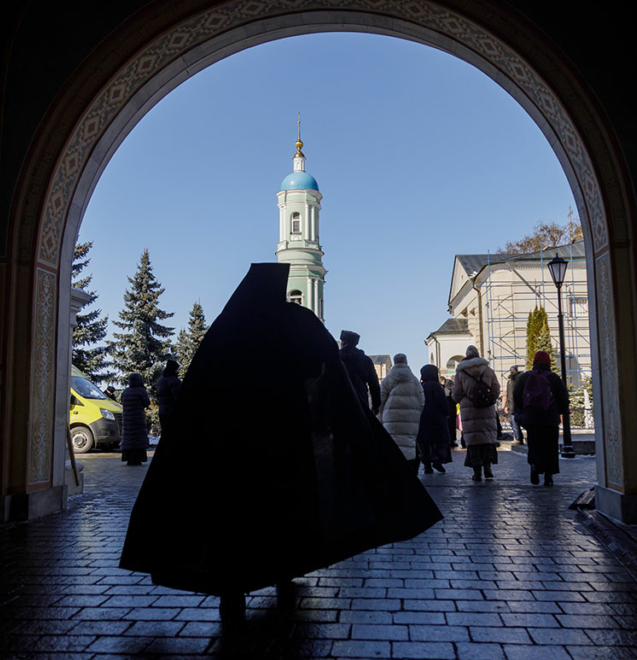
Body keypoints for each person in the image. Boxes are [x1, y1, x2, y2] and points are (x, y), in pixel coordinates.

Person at [120, 264, 442, 621]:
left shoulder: (228, 325)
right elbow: (320, 360)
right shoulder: (294, 320)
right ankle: (285, 567)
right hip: (285, 433)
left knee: (236, 512)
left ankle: (232, 587)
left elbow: (203, 386)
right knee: (286, 502)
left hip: (233, 441)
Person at [513, 351, 570, 486]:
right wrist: (561, 411)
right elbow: (563, 398)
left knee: (534, 444)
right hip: (550, 419)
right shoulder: (554, 378)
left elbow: (517, 396)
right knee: (550, 446)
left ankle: (534, 465)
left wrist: (522, 411)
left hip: (531, 418)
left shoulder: (525, 377)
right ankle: (548, 475)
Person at [451, 345, 501, 481]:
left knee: (473, 441)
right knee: (487, 439)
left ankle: (477, 471)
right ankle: (488, 467)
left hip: (469, 409)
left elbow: (455, 394)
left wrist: (464, 399)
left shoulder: (461, 373)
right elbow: (496, 389)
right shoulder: (488, 370)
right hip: (487, 408)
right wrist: (490, 398)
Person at [379, 353, 424, 471]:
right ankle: (410, 469)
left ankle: (395, 469)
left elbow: (380, 399)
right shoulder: (414, 380)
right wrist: (417, 413)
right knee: (409, 442)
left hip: (391, 417)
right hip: (411, 417)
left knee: (393, 443)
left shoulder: (387, 380)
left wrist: (381, 415)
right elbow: (422, 400)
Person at [417, 364, 452, 474]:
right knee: (438, 440)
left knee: (425, 441)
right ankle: (437, 461)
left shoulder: (420, 386)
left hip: (423, 418)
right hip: (437, 418)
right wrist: (447, 413)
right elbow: (442, 402)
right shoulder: (436, 386)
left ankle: (427, 465)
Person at [339, 330, 381, 415]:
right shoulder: (366, 360)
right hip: (361, 399)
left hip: (338, 399)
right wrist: (376, 405)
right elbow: (374, 384)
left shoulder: (336, 357)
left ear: (343, 342)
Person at [119, 372, 150, 466]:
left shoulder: (125, 391)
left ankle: (129, 458)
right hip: (138, 419)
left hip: (127, 419)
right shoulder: (141, 391)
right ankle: (138, 458)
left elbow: (122, 402)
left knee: (129, 437)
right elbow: (146, 403)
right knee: (138, 438)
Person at [154, 359, 181, 435]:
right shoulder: (174, 380)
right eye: (177, 368)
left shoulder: (160, 380)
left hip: (162, 409)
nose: (178, 370)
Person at [504, 366, 524, 444]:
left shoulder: (518, 379)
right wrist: (507, 405)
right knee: (514, 422)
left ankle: (519, 438)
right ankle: (518, 437)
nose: (512, 372)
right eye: (511, 370)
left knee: (518, 422)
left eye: (513, 370)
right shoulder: (509, 381)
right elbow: (509, 394)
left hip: (518, 404)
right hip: (512, 404)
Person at [443, 378, 458, 447]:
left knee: (447, 426)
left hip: (446, 409)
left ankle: (448, 440)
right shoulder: (453, 390)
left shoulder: (443, 390)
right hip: (453, 409)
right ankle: (453, 440)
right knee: (452, 426)